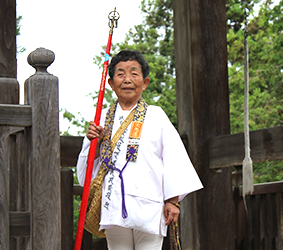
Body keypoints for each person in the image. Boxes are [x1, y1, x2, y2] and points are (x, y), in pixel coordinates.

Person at [77, 50, 203, 250]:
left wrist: (172, 201)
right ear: (111, 83)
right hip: (114, 203)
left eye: (134, 73)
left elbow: (174, 158)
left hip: (150, 204)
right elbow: (87, 169)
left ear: (144, 82)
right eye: (120, 74)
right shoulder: (102, 119)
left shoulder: (156, 115)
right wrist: (95, 141)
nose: (127, 79)